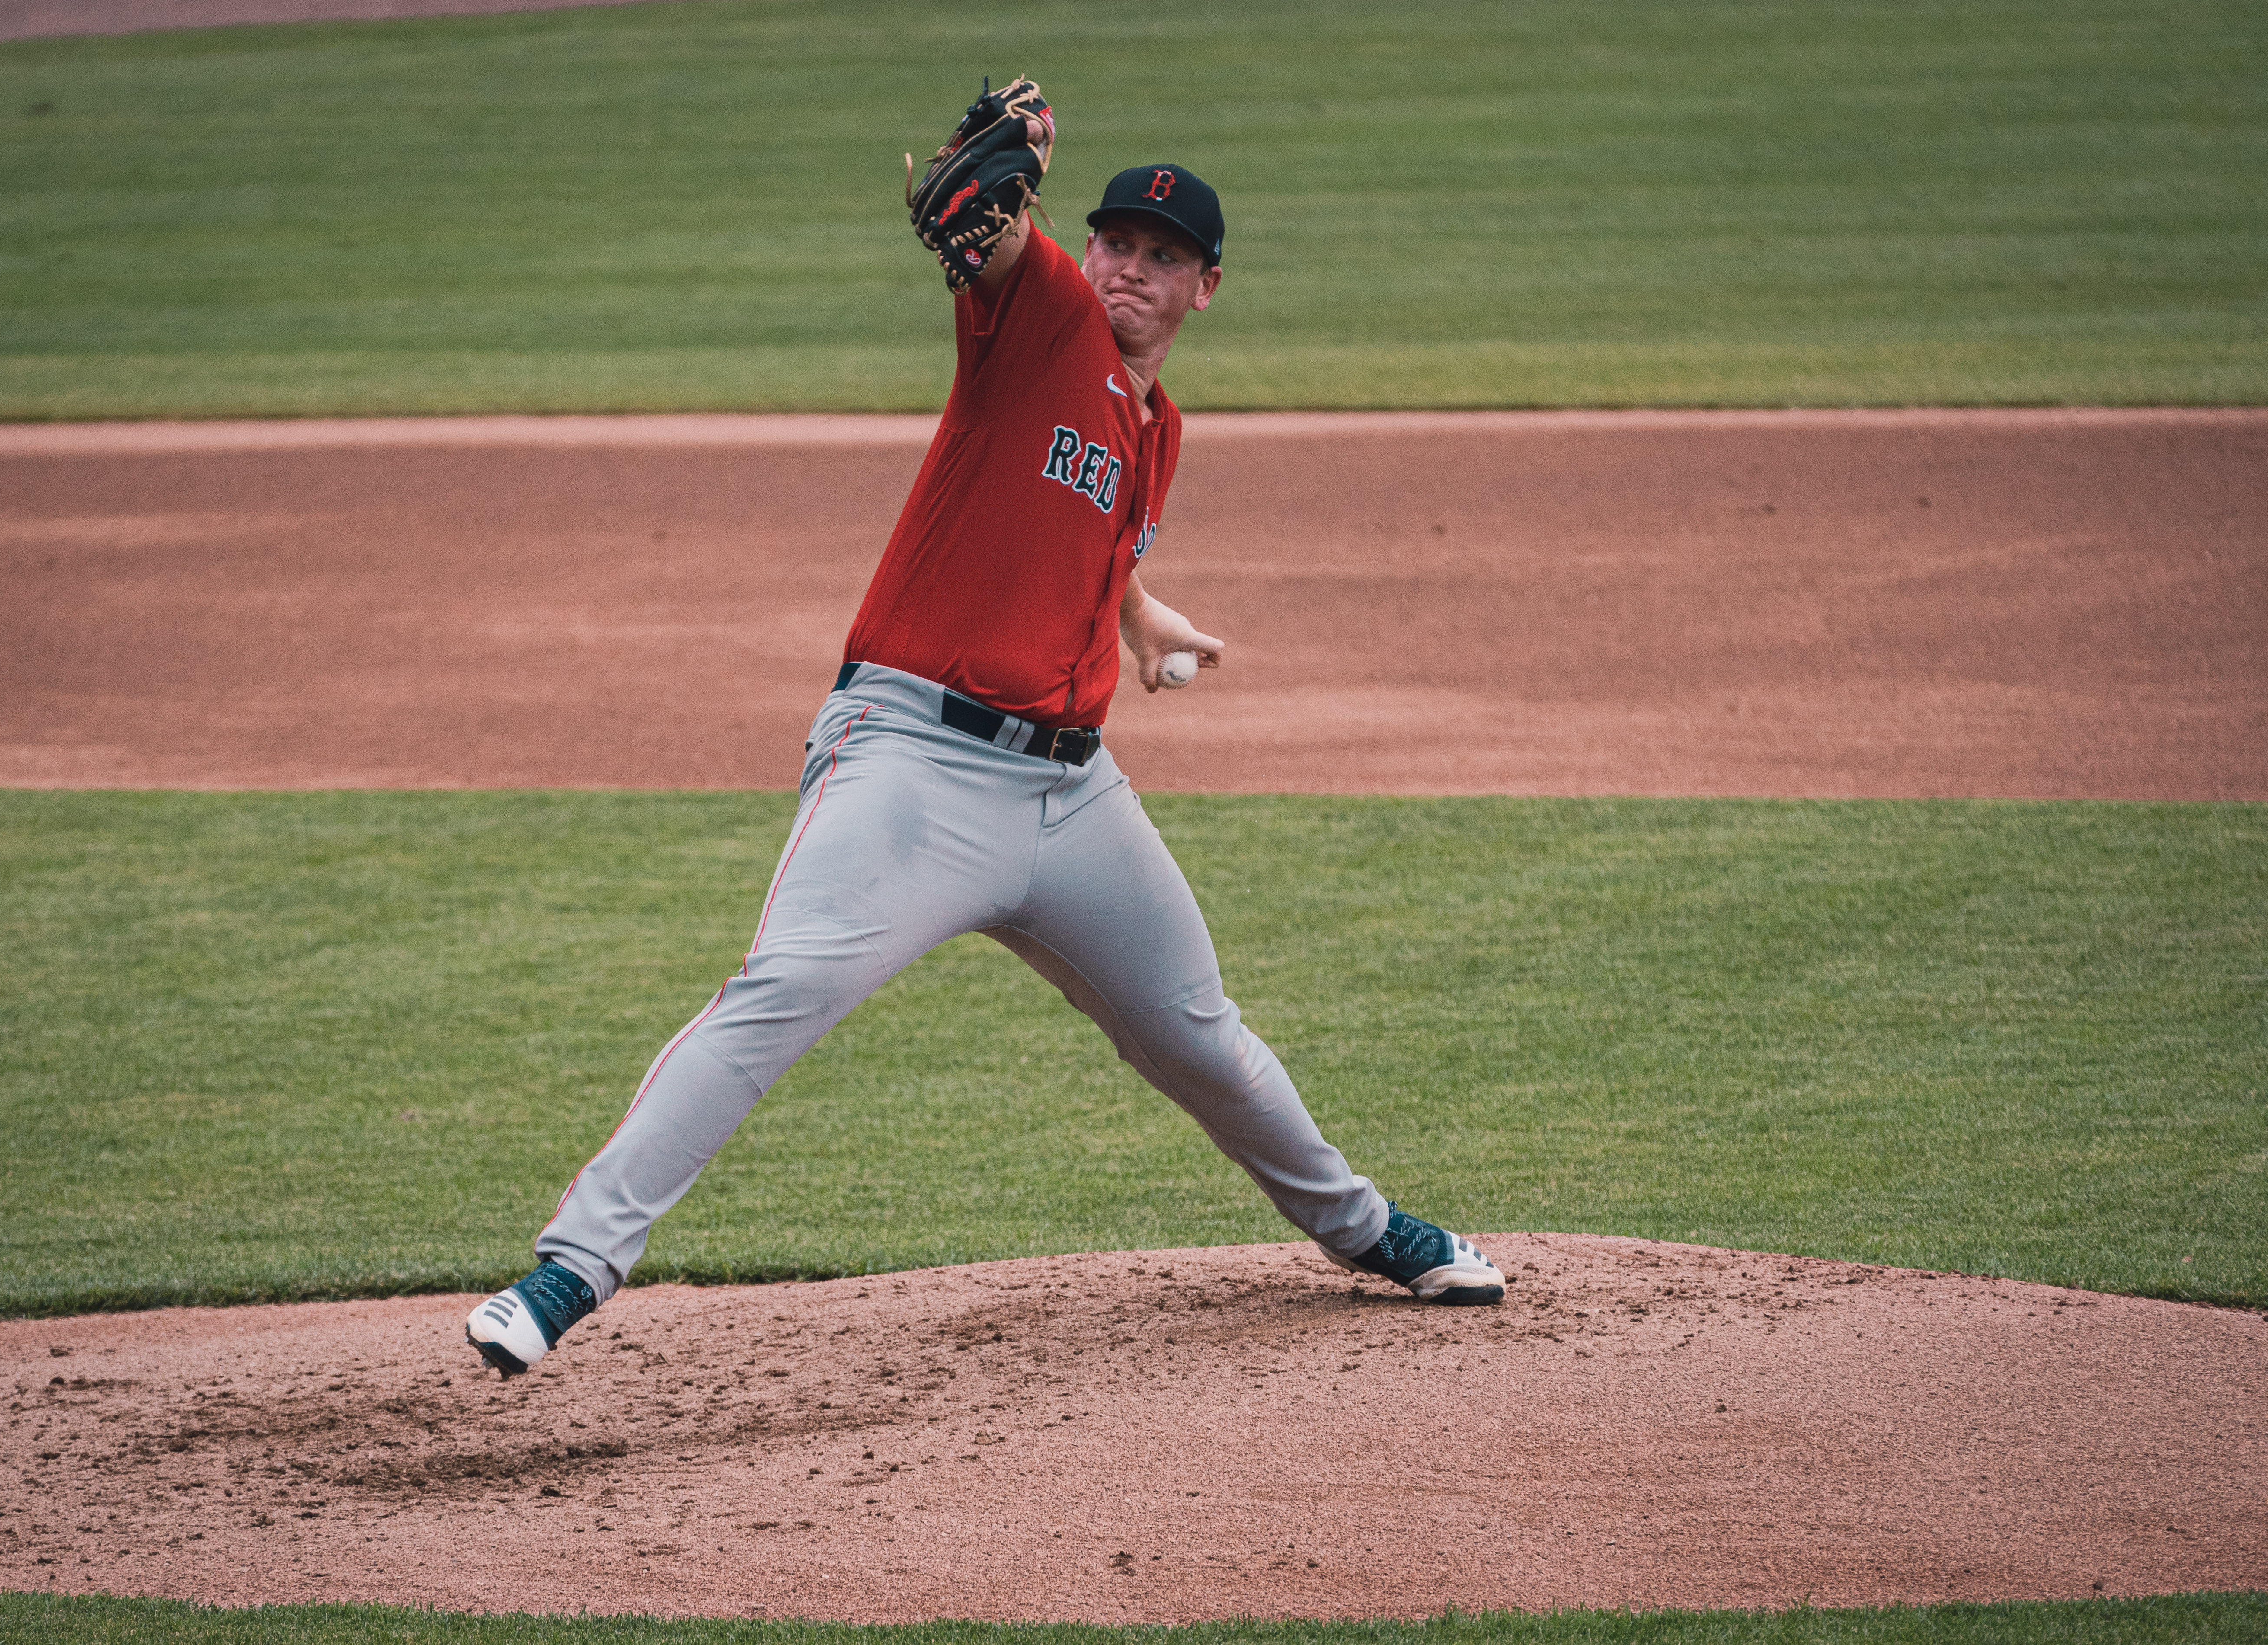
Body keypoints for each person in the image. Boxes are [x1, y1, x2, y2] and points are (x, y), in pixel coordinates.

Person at [465, 109, 1505, 1380]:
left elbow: (1091, 534)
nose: (1130, 266)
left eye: (1162, 255)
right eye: (1114, 238)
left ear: (1205, 287)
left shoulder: (1156, 426)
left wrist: (1139, 619)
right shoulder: (1045, 315)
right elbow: (978, 232)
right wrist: (995, 197)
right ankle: (567, 1273)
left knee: (1196, 1034)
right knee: (784, 988)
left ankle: (1370, 1233)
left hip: (1072, 799)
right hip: (912, 761)